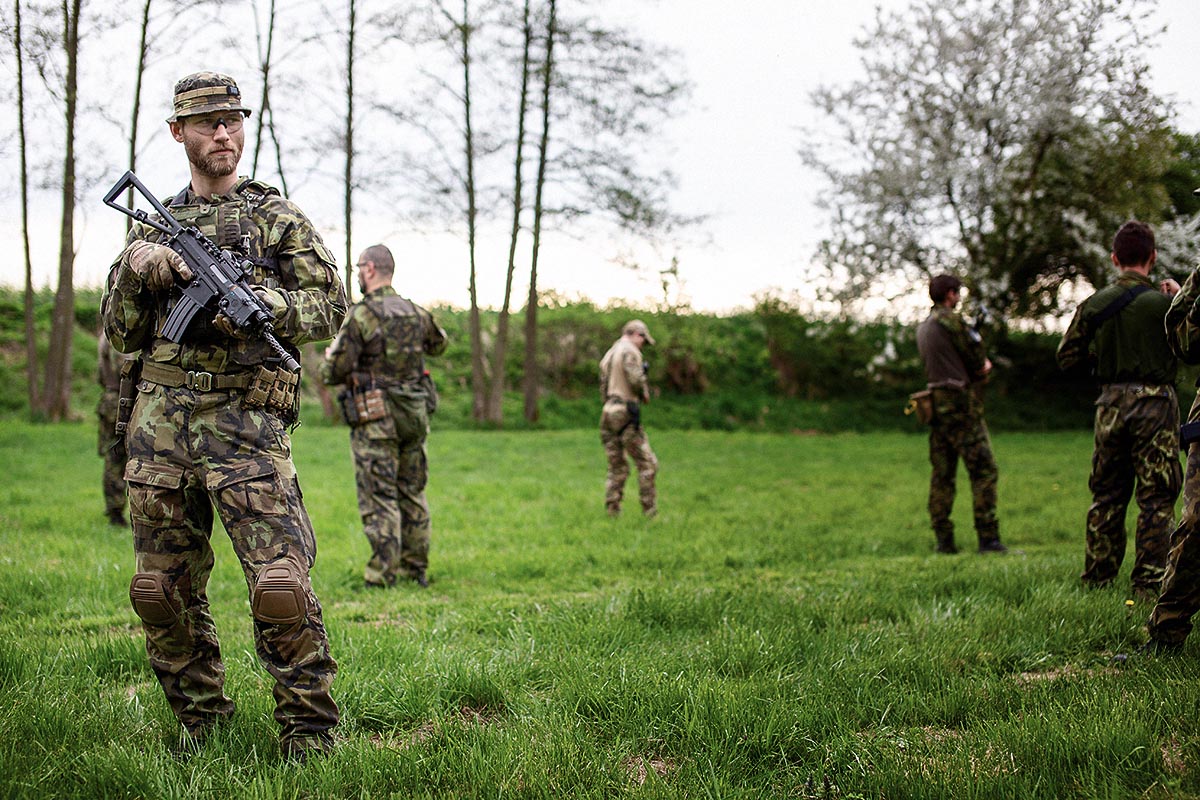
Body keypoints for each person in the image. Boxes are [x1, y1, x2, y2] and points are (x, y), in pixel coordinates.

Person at [101, 72, 345, 759]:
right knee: (160, 592)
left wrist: (267, 304)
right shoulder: (154, 227)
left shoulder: (278, 219)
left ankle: (308, 733)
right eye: (207, 123)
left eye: (233, 120)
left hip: (247, 431)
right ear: (178, 133)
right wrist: (137, 268)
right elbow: (119, 335)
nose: (223, 134)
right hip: (161, 435)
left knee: (279, 588)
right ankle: (201, 723)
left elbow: (331, 307)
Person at [1056, 221, 1181, 602]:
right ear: (1153, 256)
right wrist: (1180, 298)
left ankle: (1097, 579)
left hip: (1109, 404)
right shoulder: (1164, 304)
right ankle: (1148, 583)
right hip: (1157, 405)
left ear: (1114, 259)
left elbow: (1067, 358)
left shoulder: (1095, 303)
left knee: (1106, 494)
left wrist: (1103, 365)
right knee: (1156, 498)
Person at [320, 244, 447, 589]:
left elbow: (334, 371)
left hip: (376, 418)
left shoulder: (363, 315)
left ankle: (382, 575)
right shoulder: (416, 313)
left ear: (372, 269)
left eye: (360, 267)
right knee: (412, 491)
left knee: (380, 497)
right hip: (414, 415)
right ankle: (415, 569)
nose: (358, 273)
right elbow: (439, 345)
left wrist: (330, 356)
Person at [915, 275, 1006, 554]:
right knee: (983, 470)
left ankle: (944, 541)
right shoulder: (952, 322)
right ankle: (988, 539)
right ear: (950, 295)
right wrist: (983, 364)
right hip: (960, 405)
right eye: (957, 293)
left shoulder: (924, 327)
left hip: (935, 404)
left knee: (943, 474)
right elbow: (976, 360)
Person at [599, 319, 659, 517]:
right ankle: (650, 512)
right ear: (637, 334)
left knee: (617, 465)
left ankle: (612, 510)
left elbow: (603, 381)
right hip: (625, 410)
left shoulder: (611, 352)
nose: (643, 344)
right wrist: (644, 391)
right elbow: (634, 378)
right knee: (648, 464)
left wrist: (608, 403)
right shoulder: (630, 351)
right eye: (643, 339)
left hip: (609, 410)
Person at [97, 329, 135, 526]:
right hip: (120, 400)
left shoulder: (106, 335)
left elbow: (99, 375)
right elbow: (124, 368)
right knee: (117, 456)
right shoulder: (118, 336)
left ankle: (116, 508)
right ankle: (116, 511)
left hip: (112, 400)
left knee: (115, 456)